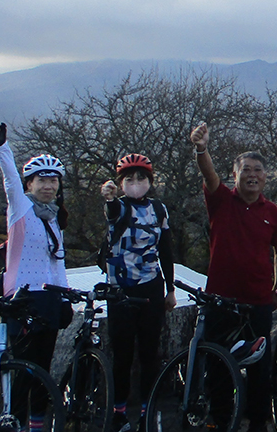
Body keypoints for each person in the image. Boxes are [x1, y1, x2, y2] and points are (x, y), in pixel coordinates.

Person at [190, 122, 277, 429]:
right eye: (246, 169)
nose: (252, 175)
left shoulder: (272, 212)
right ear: (235, 175)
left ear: (265, 177)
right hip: (220, 300)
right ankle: (221, 422)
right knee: (219, 367)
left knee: (260, 370)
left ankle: (258, 423)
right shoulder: (221, 201)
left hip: (258, 302)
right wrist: (202, 149)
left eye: (258, 170)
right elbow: (208, 174)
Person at [0, 121, 69, 432]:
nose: (47, 186)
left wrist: (65, 296)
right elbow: (9, 181)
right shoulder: (20, 209)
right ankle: (14, 424)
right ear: (30, 184)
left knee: (41, 371)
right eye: (40, 180)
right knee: (21, 371)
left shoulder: (55, 219)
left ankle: (36, 426)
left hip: (48, 299)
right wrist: (1, 147)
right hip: (21, 299)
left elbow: (57, 262)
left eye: (52, 181)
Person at [100, 153, 176, 432]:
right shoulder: (118, 207)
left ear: (150, 181)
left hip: (151, 287)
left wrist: (170, 288)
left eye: (141, 178)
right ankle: (119, 412)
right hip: (119, 289)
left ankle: (147, 409)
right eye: (128, 179)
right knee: (121, 354)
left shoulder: (159, 209)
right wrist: (108, 197)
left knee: (149, 352)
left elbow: (166, 251)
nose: (135, 183)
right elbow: (111, 213)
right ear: (120, 184)